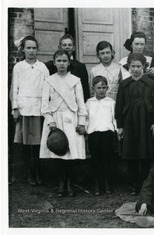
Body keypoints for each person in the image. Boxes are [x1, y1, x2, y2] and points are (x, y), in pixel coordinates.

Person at [40, 49, 87, 197]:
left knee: (71, 153)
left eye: (64, 61)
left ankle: (69, 183)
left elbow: (81, 104)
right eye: (59, 61)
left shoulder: (75, 80)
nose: (62, 63)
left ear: (69, 62)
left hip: (71, 120)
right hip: (55, 120)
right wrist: (50, 121)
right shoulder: (49, 80)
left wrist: (81, 122)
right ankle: (60, 182)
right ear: (54, 63)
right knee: (57, 152)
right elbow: (44, 104)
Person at [115, 53, 154, 195]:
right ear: (128, 67)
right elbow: (119, 105)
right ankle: (133, 183)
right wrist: (120, 126)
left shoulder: (150, 83)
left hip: (145, 120)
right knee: (131, 152)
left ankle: (145, 183)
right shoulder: (124, 84)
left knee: (144, 152)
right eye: (132, 66)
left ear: (144, 67)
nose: (135, 69)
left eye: (138, 66)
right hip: (129, 121)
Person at [11, 35, 49, 185]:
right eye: (29, 48)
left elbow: (47, 89)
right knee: (26, 144)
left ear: (37, 49)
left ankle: (39, 172)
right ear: (23, 50)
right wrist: (15, 108)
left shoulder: (43, 67)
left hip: (39, 109)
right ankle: (29, 173)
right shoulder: (19, 67)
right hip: (24, 108)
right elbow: (15, 88)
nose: (31, 51)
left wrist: (46, 109)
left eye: (34, 48)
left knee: (38, 143)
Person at [86, 75, 117, 196]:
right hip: (94, 133)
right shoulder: (89, 103)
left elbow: (115, 118)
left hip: (107, 133)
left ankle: (107, 183)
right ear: (93, 88)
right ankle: (97, 184)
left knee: (107, 159)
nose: (101, 90)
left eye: (104, 87)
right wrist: (85, 128)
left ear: (107, 88)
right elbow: (86, 118)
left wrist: (117, 129)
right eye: (98, 87)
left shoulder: (111, 102)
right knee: (95, 159)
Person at [45, 34, 90, 101]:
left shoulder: (80, 67)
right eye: (64, 45)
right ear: (59, 47)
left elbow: (85, 91)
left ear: (74, 48)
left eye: (69, 45)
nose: (67, 47)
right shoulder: (50, 66)